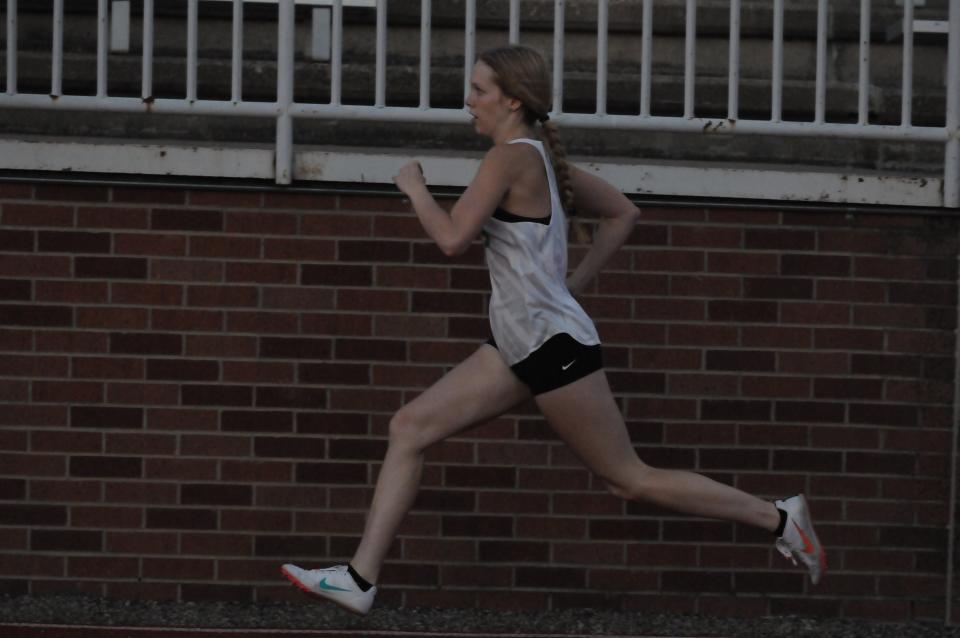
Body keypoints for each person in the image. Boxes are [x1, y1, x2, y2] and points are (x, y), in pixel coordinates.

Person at [281, 44, 826, 615]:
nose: (468, 102)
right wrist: (575, 281)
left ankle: (779, 518)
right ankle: (360, 579)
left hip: (549, 346)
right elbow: (624, 212)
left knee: (628, 479)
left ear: (512, 100)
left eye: (480, 91)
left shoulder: (510, 158)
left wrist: (415, 188)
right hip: (521, 342)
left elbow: (450, 239)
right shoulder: (538, 155)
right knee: (410, 427)